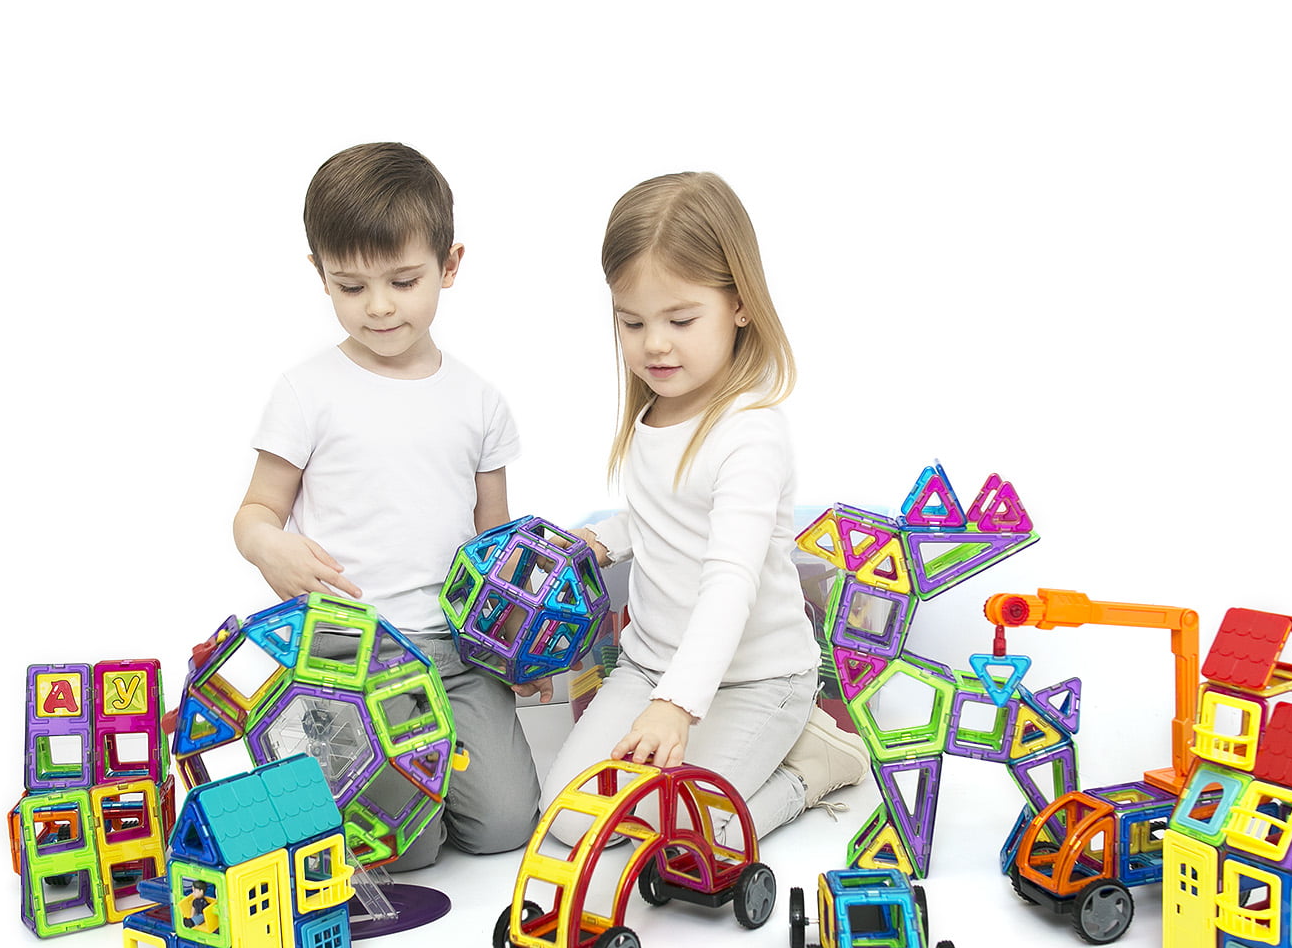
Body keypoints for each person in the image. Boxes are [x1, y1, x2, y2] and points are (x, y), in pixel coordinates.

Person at [233, 142, 541, 870]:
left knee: (503, 826)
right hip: (353, 656)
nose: (378, 306)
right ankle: (335, 775)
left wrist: (514, 639)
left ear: (449, 265)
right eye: (351, 285)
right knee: (408, 851)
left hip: (456, 653)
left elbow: (495, 540)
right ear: (321, 275)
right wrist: (269, 547)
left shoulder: (479, 401)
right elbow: (254, 513)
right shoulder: (307, 391)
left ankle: (418, 775)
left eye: (403, 281)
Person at [544, 171, 868, 844]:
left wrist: (675, 707)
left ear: (739, 304)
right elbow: (665, 516)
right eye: (632, 322)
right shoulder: (653, 417)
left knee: (676, 836)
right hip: (650, 666)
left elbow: (729, 582)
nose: (654, 343)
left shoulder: (750, 433)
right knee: (570, 818)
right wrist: (604, 538)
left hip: (757, 680)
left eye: (680, 320)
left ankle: (811, 768)